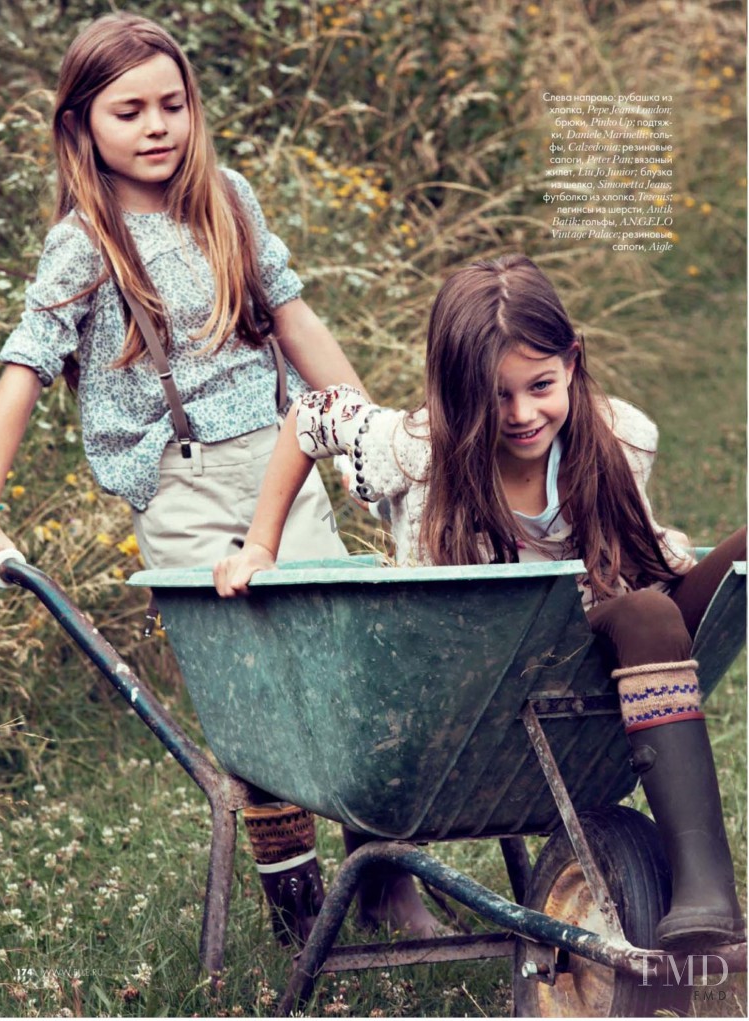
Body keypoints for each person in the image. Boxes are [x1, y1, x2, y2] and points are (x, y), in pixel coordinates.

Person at [0, 11, 432, 947]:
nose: (157, 125)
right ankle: (297, 911)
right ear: (82, 124)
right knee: (255, 698)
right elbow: (24, 370)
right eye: (129, 110)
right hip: (181, 487)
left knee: (348, 662)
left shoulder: (229, 199)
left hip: (285, 465)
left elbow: (293, 322)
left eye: (172, 104)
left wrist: (372, 430)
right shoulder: (85, 243)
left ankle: (380, 879)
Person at [215, 253, 746, 950]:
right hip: (465, 685)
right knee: (645, 613)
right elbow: (311, 416)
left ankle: (705, 888)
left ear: (572, 362)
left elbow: (640, 569)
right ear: (453, 388)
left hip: (584, 667)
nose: (523, 414)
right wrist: (260, 546)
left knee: (660, 604)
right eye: (496, 396)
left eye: (541, 386)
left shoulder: (618, 437)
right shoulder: (412, 448)